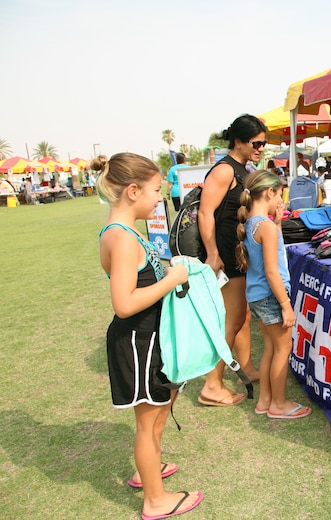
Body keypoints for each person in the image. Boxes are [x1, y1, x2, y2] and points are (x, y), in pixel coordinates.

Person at [95, 152, 203, 520]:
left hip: (150, 337)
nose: (161, 197)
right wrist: (172, 279)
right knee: (148, 421)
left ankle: (148, 470)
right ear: (132, 191)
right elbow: (124, 304)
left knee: (158, 413)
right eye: (156, 190)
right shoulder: (121, 238)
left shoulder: (123, 232)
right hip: (139, 341)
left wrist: (168, 270)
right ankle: (155, 499)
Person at [197, 114, 267, 406]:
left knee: (242, 315)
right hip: (224, 254)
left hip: (235, 252)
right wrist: (213, 254)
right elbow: (204, 212)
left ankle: (246, 368)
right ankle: (211, 385)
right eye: (257, 143)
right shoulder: (225, 170)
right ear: (238, 141)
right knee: (233, 317)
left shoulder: (240, 169)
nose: (261, 148)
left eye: (264, 143)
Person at [235, 171, 312, 420]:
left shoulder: (253, 222)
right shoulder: (265, 227)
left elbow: (267, 254)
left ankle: (265, 400)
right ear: (270, 192)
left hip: (256, 295)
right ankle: (279, 403)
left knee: (270, 347)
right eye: (279, 193)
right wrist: (285, 305)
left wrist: (277, 222)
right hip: (271, 296)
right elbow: (272, 270)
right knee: (283, 347)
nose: (280, 198)